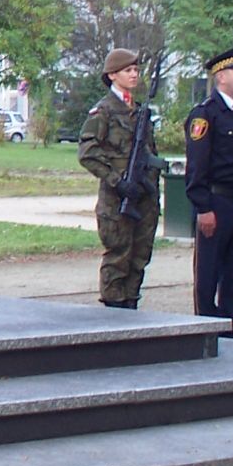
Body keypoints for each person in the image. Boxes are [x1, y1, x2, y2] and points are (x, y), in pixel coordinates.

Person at [183, 49, 233, 335]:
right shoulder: (205, 115)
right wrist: (203, 207)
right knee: (209, 273)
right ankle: (206, 332)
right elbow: (197, 165)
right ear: (221, 76)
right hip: (216, 202)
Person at [77, 48, 161, 309]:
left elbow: (150, 152)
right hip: (117, 199)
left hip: (143, 196)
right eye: (128, 70)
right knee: (118, 257)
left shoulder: (139, 110)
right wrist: (117, 180)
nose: (134, 75)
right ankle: (114, 314)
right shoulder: (104, 111)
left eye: (136, 70)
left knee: (139, 256)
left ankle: (131, 306)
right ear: (112, 75)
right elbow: (87, 153)